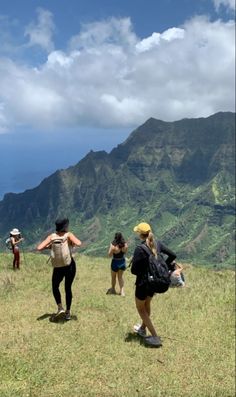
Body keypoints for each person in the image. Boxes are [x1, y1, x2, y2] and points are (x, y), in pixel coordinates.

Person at [131, 222, 176, 347]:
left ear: (140, 234)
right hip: (154, 283)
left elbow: (134, 270)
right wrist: (164, 266)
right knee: (147, 304)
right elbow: (173, 255)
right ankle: (142, 329)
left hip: (143, 283)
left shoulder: (140, 249)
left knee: (141, 309)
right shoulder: (158, 244)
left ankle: (155, 336)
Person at [37, 218, 82, 320]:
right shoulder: (68, 235)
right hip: (69, 265)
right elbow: (79, 243)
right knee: (68, 288)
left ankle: (60, 307)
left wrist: (50, 246)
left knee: (55, 286)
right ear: (65, 226)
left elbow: (39, 248)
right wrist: (71, 242)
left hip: (57, 267)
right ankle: (68, 312)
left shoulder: (52, 237)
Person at [106, 232, 128, 296]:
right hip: (122, 261)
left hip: (115, 262)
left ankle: (113, 289)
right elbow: (125, 252)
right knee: (120, 277)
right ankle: (122, 292)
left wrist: (113, 250)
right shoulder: (125, 245)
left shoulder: (113, 245)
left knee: (113, 277)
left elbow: (109, 255)